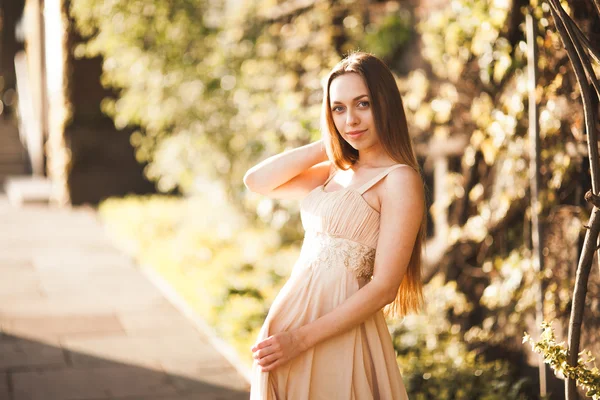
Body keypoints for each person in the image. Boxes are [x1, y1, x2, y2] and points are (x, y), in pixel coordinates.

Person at [243, 51, 426, 399]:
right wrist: (330, 142)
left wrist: (300, 339)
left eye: (362, 104)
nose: (351, 120)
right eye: (338, 108)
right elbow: (257, 181)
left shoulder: (399, 180)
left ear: (385, 104)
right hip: (286, 331)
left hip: (334, 334)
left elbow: (385, 287)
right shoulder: (334, 171)